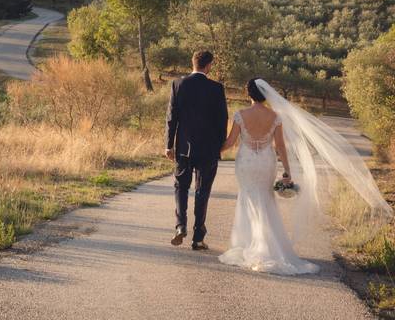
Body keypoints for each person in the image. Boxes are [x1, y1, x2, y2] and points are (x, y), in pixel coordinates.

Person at [218, 77, 392, 275]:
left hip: (246, 162)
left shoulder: (240, 115)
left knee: (248, 198)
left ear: (247, 93)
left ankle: (250, 244)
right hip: (266, 162)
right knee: (266, 200)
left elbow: (231, 142)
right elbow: (280, 146)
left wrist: (214, 151)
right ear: (265, 94)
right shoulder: (275, 117)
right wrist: (287, 171)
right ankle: (267, 246)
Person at [165, 51, 228, 250]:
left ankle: (180, 226)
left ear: (192, 63)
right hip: (208, 149)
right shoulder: (217, 88)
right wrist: (219, 145)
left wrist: (169, 145)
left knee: (180, 187)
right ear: (208, 65)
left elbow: (171, 117)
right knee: (202, 191)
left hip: (184, 147)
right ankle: (197, 238)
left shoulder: (178, 84)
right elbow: (222, 119)